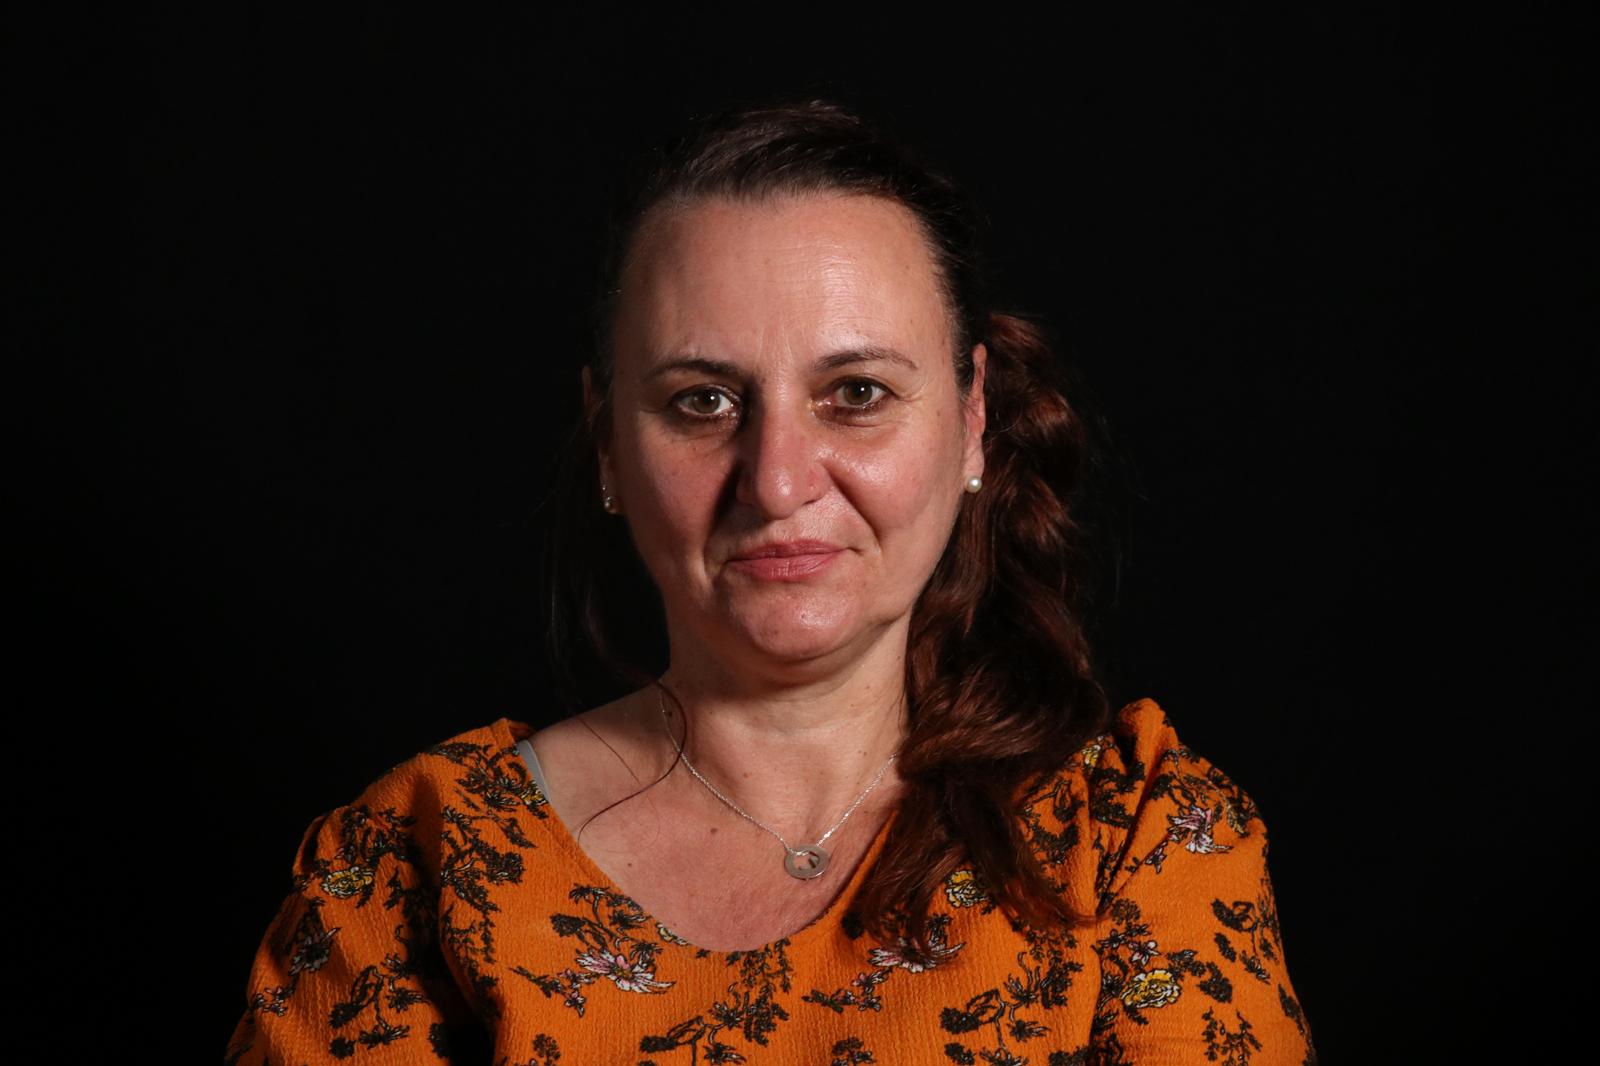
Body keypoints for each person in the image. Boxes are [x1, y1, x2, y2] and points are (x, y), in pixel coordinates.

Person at [225, 94, 1317, 1065]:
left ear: (971, 417)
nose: (779, 480)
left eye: (856, 393)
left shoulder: (1136, 841)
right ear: (609, 443)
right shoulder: (418, 867)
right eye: (703, 401)